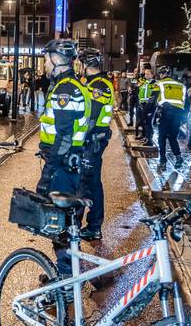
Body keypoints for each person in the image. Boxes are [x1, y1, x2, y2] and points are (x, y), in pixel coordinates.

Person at [35, 39, 91, 277]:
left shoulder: (65, 90)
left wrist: (47, 174)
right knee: (68, 225)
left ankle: (66, 281)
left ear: (56, 60)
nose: (45, 64)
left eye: (46, 59)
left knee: (60, 226)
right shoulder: (71, 85)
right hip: (70, 163)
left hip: (62, 168)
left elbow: (65, 137)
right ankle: (66, 275)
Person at [77, 48, 113, 241]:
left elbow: (91, 118)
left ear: (85, 65)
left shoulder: (98, 85)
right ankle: (93, 225)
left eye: (80, 64)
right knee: (91, 183)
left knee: (86, 184)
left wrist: (78, 140)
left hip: (92, 143)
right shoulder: (95, 83)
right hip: (95, 141)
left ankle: (91, 226)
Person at [152, 65, 186, 168]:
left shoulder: (159, 84)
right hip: (178, 115)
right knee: (173, 137)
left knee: (162, 138)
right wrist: (184, 118)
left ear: (161, 74)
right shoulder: (181, 85)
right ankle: (179, 158)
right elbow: (186, 103)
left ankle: (163, 161)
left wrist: (147, 114)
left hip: (165, 113)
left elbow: (152, 100)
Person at [137, 67, 158, 145]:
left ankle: (149, 140)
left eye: (148, 74)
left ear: (152, 75)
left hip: (149, 105)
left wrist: (150, 104)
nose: (146, 75)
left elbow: (155, 95)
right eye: (145, 74)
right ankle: (145, 136)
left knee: (148, 122)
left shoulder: (154, 83)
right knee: (143, 122)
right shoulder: (145, 82)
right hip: (142, 104)